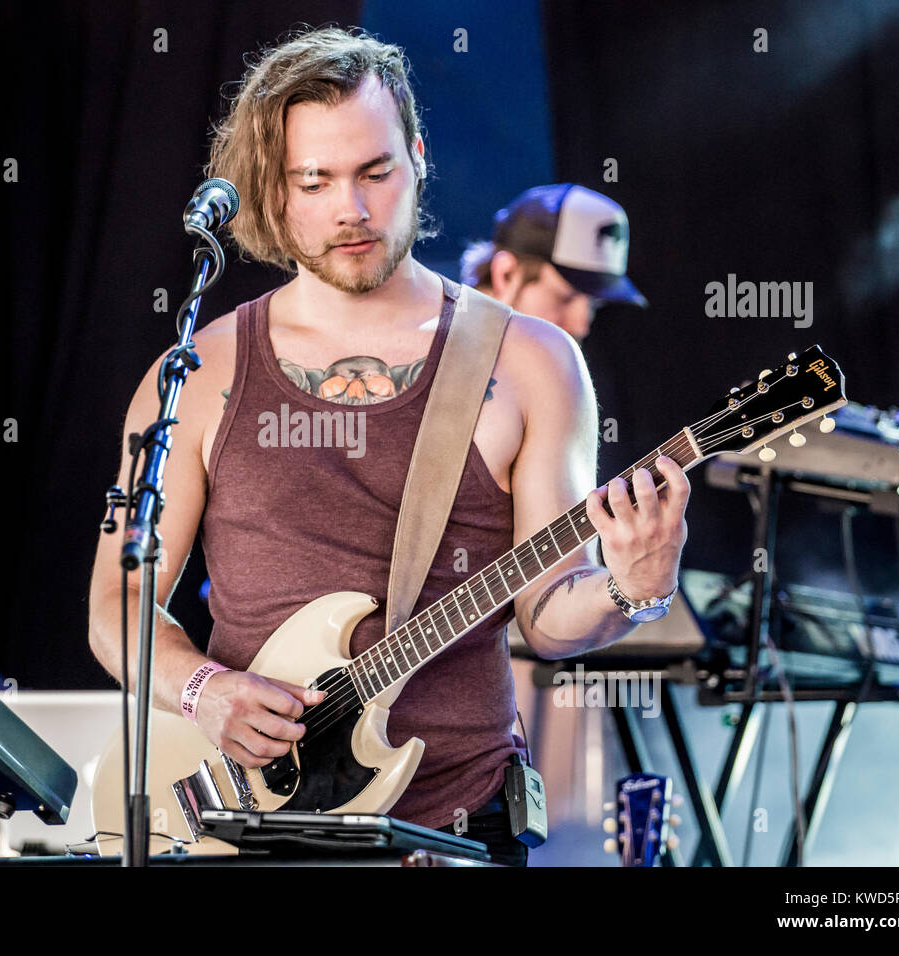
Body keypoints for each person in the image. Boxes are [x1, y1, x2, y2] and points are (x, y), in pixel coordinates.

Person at [86, 26, 690, 867]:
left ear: (415, 157)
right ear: (276, 187)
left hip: (453, 829)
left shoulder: (530, 360)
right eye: (316, 180)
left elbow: (548, 619)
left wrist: (635, 587)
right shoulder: (200, 370)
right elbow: (116, 609)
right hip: (244, 826)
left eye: (376, 172)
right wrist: (205, 689)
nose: (353, 210)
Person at [461, 183, 647, 341]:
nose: (581, 327)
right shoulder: (439, 361)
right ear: (505, 274)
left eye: (593, 304)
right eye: (565, 299)